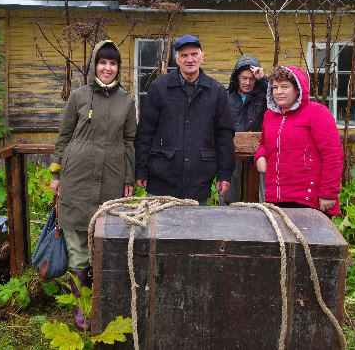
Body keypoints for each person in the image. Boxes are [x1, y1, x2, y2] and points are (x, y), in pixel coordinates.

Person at [49, 40, 137, 330]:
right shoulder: (78, 96)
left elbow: (129, 141)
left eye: (113, 63)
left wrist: (128, 177)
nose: (107, 68)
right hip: (76, 177)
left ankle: (103, 301)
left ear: (118, 68)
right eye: (102, 62)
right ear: (93, 65)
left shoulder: (127, 100)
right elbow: (64, 137)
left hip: (111, 177)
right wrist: (56, 174)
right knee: (76, 242)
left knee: (105, 238)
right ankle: (81, 306)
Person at [135, 35, 235, 205]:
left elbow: (224, 136)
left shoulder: (217, 91)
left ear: (202, 57)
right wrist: (141, 170)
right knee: (158, 230)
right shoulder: (159, 87)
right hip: (162, 179)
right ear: (177, 59)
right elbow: (145, 131)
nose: (190, 59)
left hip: (199, 182)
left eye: (194, 54)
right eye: (184, 55)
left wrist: (224, 174)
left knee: (195, 231)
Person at [254, 65, 343, 216]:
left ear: (298, 89)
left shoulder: (317, 112)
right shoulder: (270, 115)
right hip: (276, 197)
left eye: (284, 87)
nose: (279, 92)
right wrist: (260, 157)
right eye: (275, 87)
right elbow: (264, 144)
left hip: (308, 199)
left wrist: (328, 193)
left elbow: (333, 154)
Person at [220, 56, 268, 205]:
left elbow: (276, 98)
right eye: (244, 78)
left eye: (252, 79)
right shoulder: (225, 96)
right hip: (230, 153)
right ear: (237, 78)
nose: (248, 82)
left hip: (258, 154)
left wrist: (263, 79)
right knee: (228, 195)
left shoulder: (264, 97)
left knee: (259, 197)